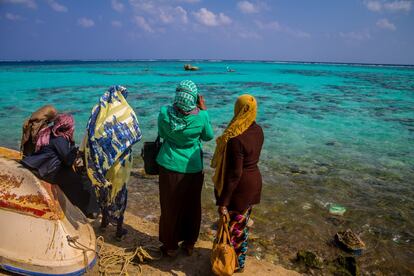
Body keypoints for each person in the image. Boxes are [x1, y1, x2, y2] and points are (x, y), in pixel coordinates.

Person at [156, 80, 214, 257]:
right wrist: (204, 110)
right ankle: (189, 243)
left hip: (169, 166)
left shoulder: (165, 113)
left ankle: (170, 246)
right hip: (193, 168)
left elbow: (162, 134)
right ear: (194, 98)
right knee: (192, 206)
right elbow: (208, 136)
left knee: (169, 207)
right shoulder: (201, 116)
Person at [211, 94, 264, 272]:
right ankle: (239, 263)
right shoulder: (258, 130)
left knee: (233, 229)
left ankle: (231, 265)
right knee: (241, 227)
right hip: (254, 183)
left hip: (239, 189)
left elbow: (234, 174)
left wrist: (223, 202)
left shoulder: (235, 137)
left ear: (238, 109)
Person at [82, 85, 142, 240]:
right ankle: (119, 229)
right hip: (121, 163)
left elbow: (89, 134)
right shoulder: (127, 111)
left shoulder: (98, 110)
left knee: (104, 190)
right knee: (119, 192)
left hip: (103, 161)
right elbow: (133, 133)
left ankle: (104, 223)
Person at [21, 113, 98, 217]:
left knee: (73, 177)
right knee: (80, 180)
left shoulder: (51, 132)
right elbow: (68, 161)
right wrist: (76, 152)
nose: (73, 128)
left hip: (41, 165)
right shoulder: (60, 139)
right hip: (48, 171)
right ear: (67, 127)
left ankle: (85, 207)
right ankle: (89, 211)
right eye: (72, 126)